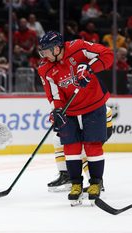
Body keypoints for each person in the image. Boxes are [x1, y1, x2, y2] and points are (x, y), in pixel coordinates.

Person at [37, 31, 113, 205]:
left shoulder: (78, 47)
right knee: (71, 146)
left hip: (94, 103)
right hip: (69, 110)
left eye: (47, 50)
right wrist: (56, 111)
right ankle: (76, 184)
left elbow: (107, 54)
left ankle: (95, 183)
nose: (44, 55)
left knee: (92, 145)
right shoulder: (45, 68)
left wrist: (90, 67)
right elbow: (54, 94)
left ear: (57, 48)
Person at [47, 106, 113, 192]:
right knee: (57, 140)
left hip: (95, 134)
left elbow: (108, 129)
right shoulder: (69, 107)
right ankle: (66, 175)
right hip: (80, 130)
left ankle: (96, 182)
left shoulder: (101, 108)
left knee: (83, 151)